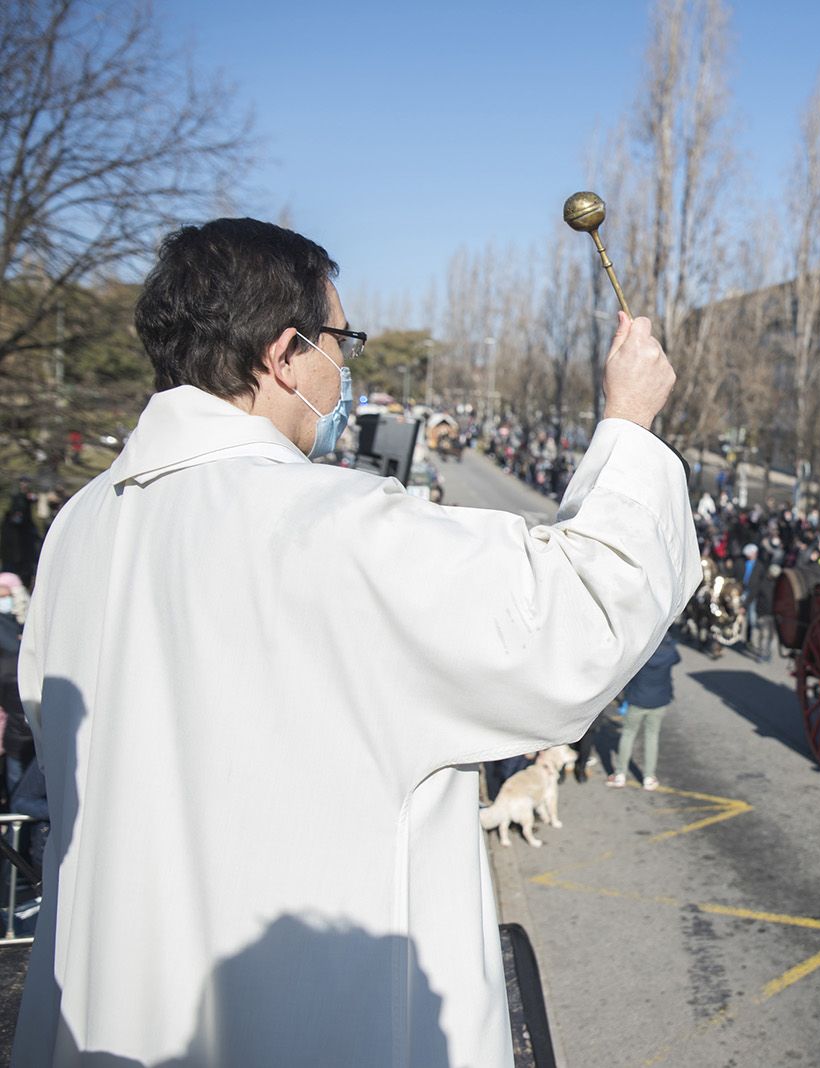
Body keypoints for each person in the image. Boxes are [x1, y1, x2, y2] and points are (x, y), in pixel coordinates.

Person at [12, 218, 699, 1067]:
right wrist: (629, 423)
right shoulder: (334, 529)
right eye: (340, 341)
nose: (345, 369)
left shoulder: (80, 526)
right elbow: (581, 617)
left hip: (114, 1018)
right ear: (284, 354)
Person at [608, 634, 681, 791]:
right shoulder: (669, 651)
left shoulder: (641, 650)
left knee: (628, 734)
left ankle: (620, 774)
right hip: (659, 700)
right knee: (652, 737)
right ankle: (649, 777)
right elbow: (677, 659)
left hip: (637, 699)